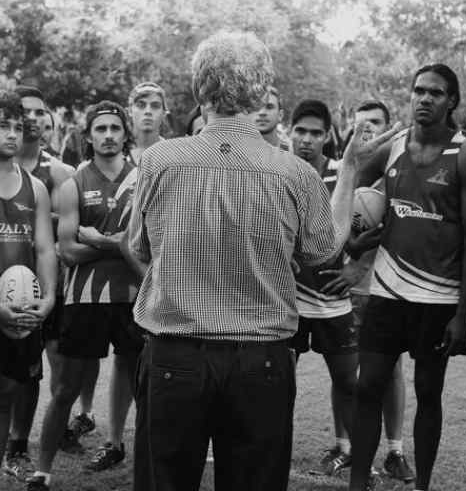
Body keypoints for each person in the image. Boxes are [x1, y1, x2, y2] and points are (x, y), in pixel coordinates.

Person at [127, 31, 399, 491]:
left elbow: (138, 247)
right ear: (259, 92)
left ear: (199, 89)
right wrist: (350, 169)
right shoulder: (292, 171)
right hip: (260, 365)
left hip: (176, 359)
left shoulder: (159, 161)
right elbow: (324, 249)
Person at [349, 64, 466, 491]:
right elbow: (355, 184)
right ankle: (357, 483)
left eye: (436, 93)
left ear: (452, 102)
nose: (424, 99)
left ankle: (423, 484)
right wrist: (356, 242)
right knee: (367, 386)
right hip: (387, 293)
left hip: (438, 299)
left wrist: (463, 314)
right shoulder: (392, 149)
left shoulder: (465, 156)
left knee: (429, 394)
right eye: (418, 91)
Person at [26, 101, 142, 491]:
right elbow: (68, 251)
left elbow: (147, 247)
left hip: (133, 298)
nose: (108, 135)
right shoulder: (74, 182)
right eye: (100, 129)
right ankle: (42, 470)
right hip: (84, 300)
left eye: (114, 128)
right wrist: (117, 245)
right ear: (88, 135)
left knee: (145, 388)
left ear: (125, 133)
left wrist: (100, 240)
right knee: (64, 390)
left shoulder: (144, 179)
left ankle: (152, 467)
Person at [337, 99, 414, 483]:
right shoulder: (343, 175)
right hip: (345, 292)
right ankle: (350, 449)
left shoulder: (399, 175)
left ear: (390, 130)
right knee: (349, 374)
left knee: (392, 371)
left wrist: (360, 262)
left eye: (376, 125)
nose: (368, 132)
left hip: (386, 288)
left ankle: (395, 451)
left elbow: (401, 229)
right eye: (360, 125)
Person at [3, 86, 76, 482]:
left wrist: (48, 295)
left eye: (23, 122)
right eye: (8, 123)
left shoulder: (49, 180)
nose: (17, 130)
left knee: (23, 386)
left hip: (35, 299)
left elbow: (54, 245)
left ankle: (18, 451)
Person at [287, 99, 358, 476]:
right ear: (289, 131)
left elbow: (377, 224)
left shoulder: (342, 174)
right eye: (301, 131)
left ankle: (348, 449)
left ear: (327, 136)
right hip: (287, 303)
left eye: (316, 133)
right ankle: (273, 446)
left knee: (348, 379)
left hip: (333, 298)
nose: (307, 140)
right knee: (279, 383)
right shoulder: (277, 171)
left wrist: (357, 268)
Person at [0, 90, 57, 470]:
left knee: (6, 392)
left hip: (20, 307)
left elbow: (45, 249)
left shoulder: (34, 187)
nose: (11, 135)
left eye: (17, 128)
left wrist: (49, 297)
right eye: (3, 126)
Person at [128, 82, 168, 165]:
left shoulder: (173, 154)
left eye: (155, 106)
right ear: (130, 111)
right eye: (141, 105)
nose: (148, 111)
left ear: (164, 113)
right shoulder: (117, 151)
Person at [252, 86, 290, 150]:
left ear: (280, 115)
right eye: (256, 107)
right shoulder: (234, 151)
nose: (262, 113)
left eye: (269, 107)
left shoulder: (291, 153)